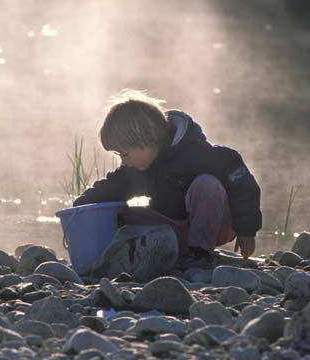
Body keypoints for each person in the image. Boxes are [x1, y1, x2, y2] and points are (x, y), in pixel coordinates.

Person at [73, 89, 261, 267]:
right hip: (173, 229)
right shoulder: (135, 169)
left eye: (124, 154)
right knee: (125, 214)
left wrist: (247, 230)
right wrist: (80, 206)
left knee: (206, 185)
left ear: (144, 139)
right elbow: (110, 188)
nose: (123, 161)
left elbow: (243, 185)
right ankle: (142, 252)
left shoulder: (198, 154)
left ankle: (200, 254)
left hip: (216, 225)